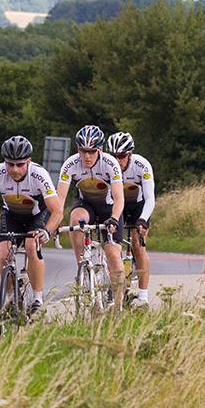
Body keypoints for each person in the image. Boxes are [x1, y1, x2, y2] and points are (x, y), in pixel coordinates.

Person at [0, 135, 62, 312]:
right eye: (10, 164)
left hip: (37, 215)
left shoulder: (39, 175)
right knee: (3, 254)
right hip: (11, 214)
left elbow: (57, 211)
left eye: (20, 164)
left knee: (31, 246)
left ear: (28, 161)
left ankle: (38, 299)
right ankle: (11, 298)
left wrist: (47, 231)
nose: (14, 169)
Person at [56, 125, 126, 296]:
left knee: (113, 254)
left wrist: (115, 219)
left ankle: (119, 304)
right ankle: (82, 268)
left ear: (100, 149)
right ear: (77, 149)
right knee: (75, 219)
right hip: (85, 203)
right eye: (83, 151)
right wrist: (53, 225)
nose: (86, 156)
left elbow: (119, 198)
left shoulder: (110, 163)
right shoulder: (70, 165)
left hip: (108, 206)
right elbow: (59, 201)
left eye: (92, 151)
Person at [107, 131, 156, 305]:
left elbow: (150, 198)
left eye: (121, 156)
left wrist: (143, 219)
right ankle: (115, 287)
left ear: (129, 154)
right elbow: (107, 198)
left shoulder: (142, 165)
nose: (117, 160)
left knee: (138, 245)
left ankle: (143, 298)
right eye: (114, 156)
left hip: (138, 206)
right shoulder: (107, 166)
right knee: (112, 246)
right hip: (117, 205)